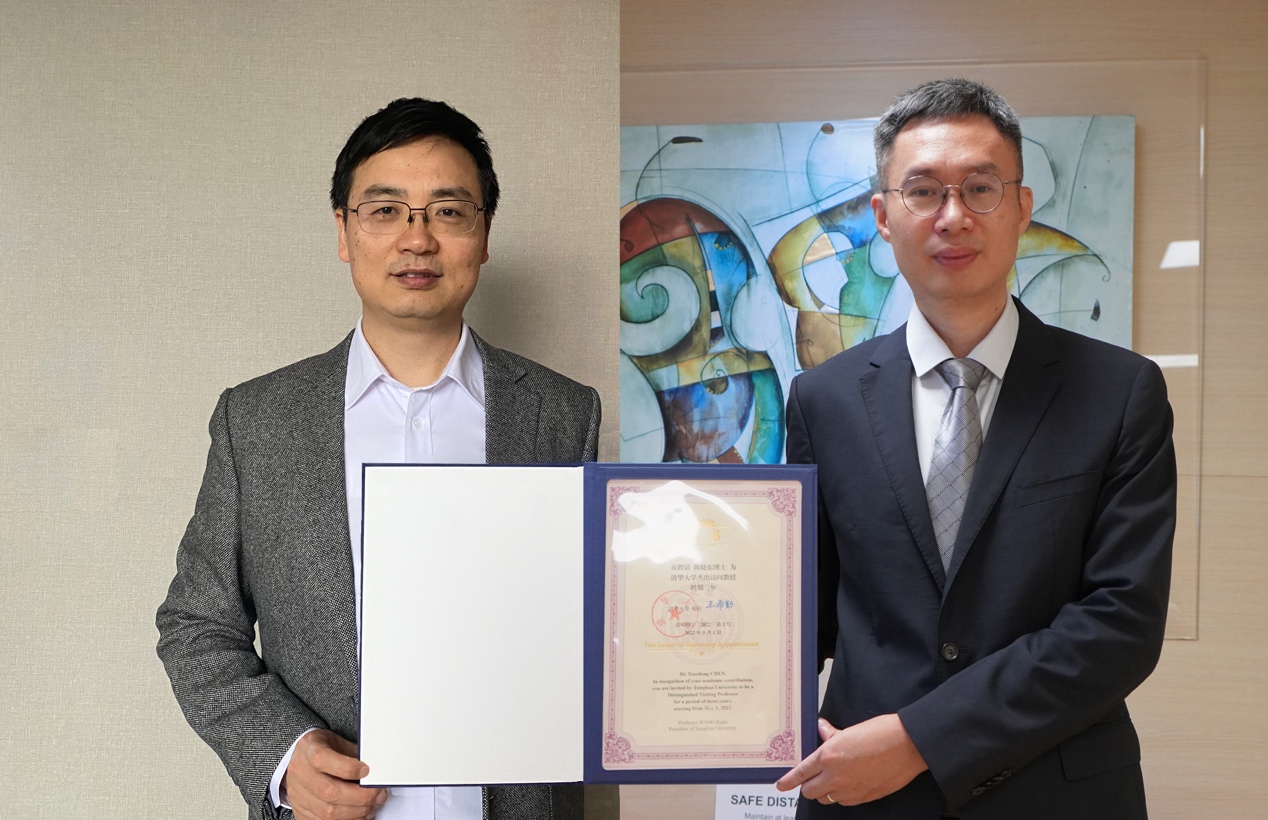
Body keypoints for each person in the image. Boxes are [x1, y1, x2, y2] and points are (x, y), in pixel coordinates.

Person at [156, 98, 600, 820]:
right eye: (385, 211)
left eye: (448, 212)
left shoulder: (562, 413)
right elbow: (196, 624)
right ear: (343, 231)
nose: (417, 239)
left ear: (484, 233)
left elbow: (591, 623)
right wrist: (283, 753)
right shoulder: (257, 419)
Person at [775, 78, 1175, 819]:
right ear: (883, 217)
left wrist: (920, 739)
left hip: (1056, 795)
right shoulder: (821, 400)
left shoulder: (1120, 392)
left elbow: (1120, 624)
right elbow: (803, 615)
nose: (953, 216)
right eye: (923, 191)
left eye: (981, 189)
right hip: (866, 799)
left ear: (1021, 208)